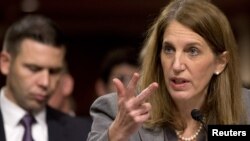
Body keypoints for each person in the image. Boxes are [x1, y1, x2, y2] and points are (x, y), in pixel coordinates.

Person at [87, 0, 250, 141]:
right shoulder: (115, 111)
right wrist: (117, 134)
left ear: (220, 63)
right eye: (169, 49)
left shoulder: (246, 110)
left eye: (192, 51)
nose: (177, 65)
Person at [0, 15, 90, 141]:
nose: (45, 82)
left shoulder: (84, 133)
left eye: (54, 71)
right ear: (5, 63)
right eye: (34, 69)